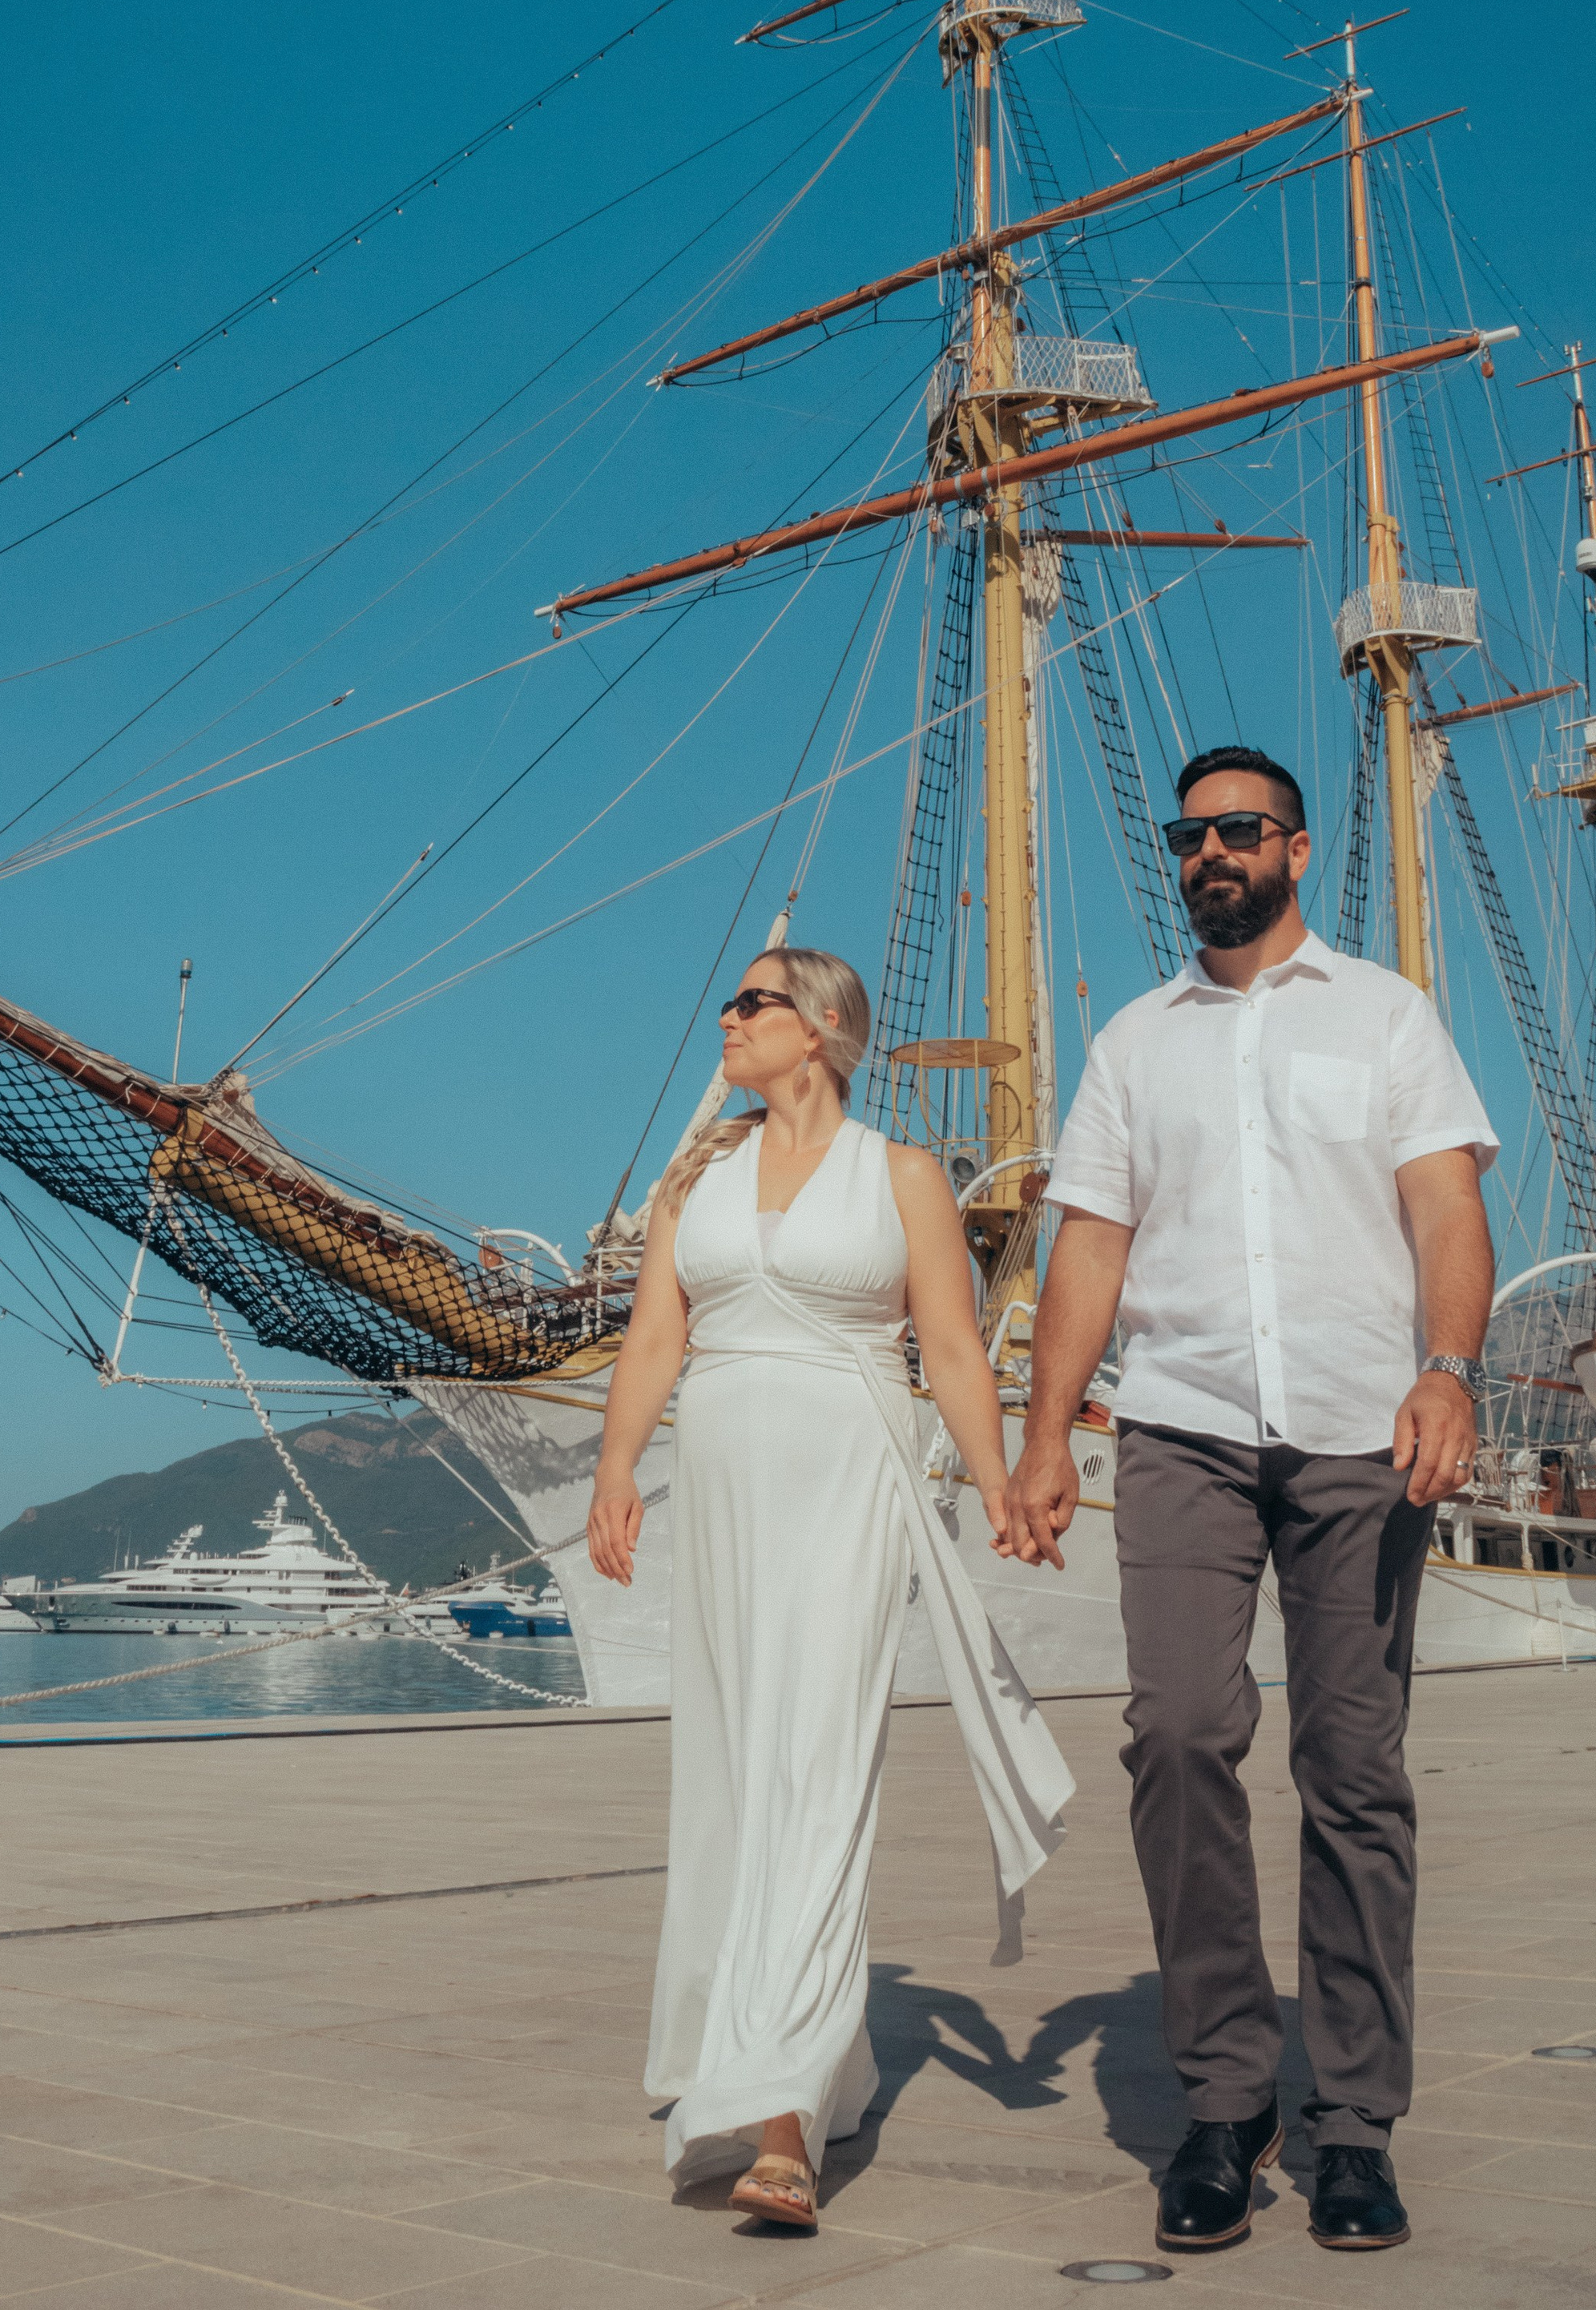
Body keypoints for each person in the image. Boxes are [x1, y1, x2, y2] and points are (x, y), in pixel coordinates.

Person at [1006, 748, 1496, 2258]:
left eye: (1237, 830)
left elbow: (1443, 1206)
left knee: (1353, 1767)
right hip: (1184, 1425)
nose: (1209, 852)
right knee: (1179, 1734)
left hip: (1361, 1428)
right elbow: (1089, 1245)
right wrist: (1040, 1443)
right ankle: (1223, 2100)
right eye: (1188, 835)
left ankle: (1353, 2120)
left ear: (1294, 844)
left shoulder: (1387, 1013)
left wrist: (1449, 1367)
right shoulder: (1137, 1043)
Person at [588, 945, 1074, 2231]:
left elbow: (955, 1350)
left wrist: (1008, 1482)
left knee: (817, 1766)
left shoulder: (902, 1176)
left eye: (749, 1003)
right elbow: (655, 1337)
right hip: (730, 1489)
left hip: (851, 1481)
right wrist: (617, 1466)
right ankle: (764, 2046)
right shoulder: (698, 1178)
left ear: (818, 1030)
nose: (727, 1019)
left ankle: (787, 2115)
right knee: (743, 1769)